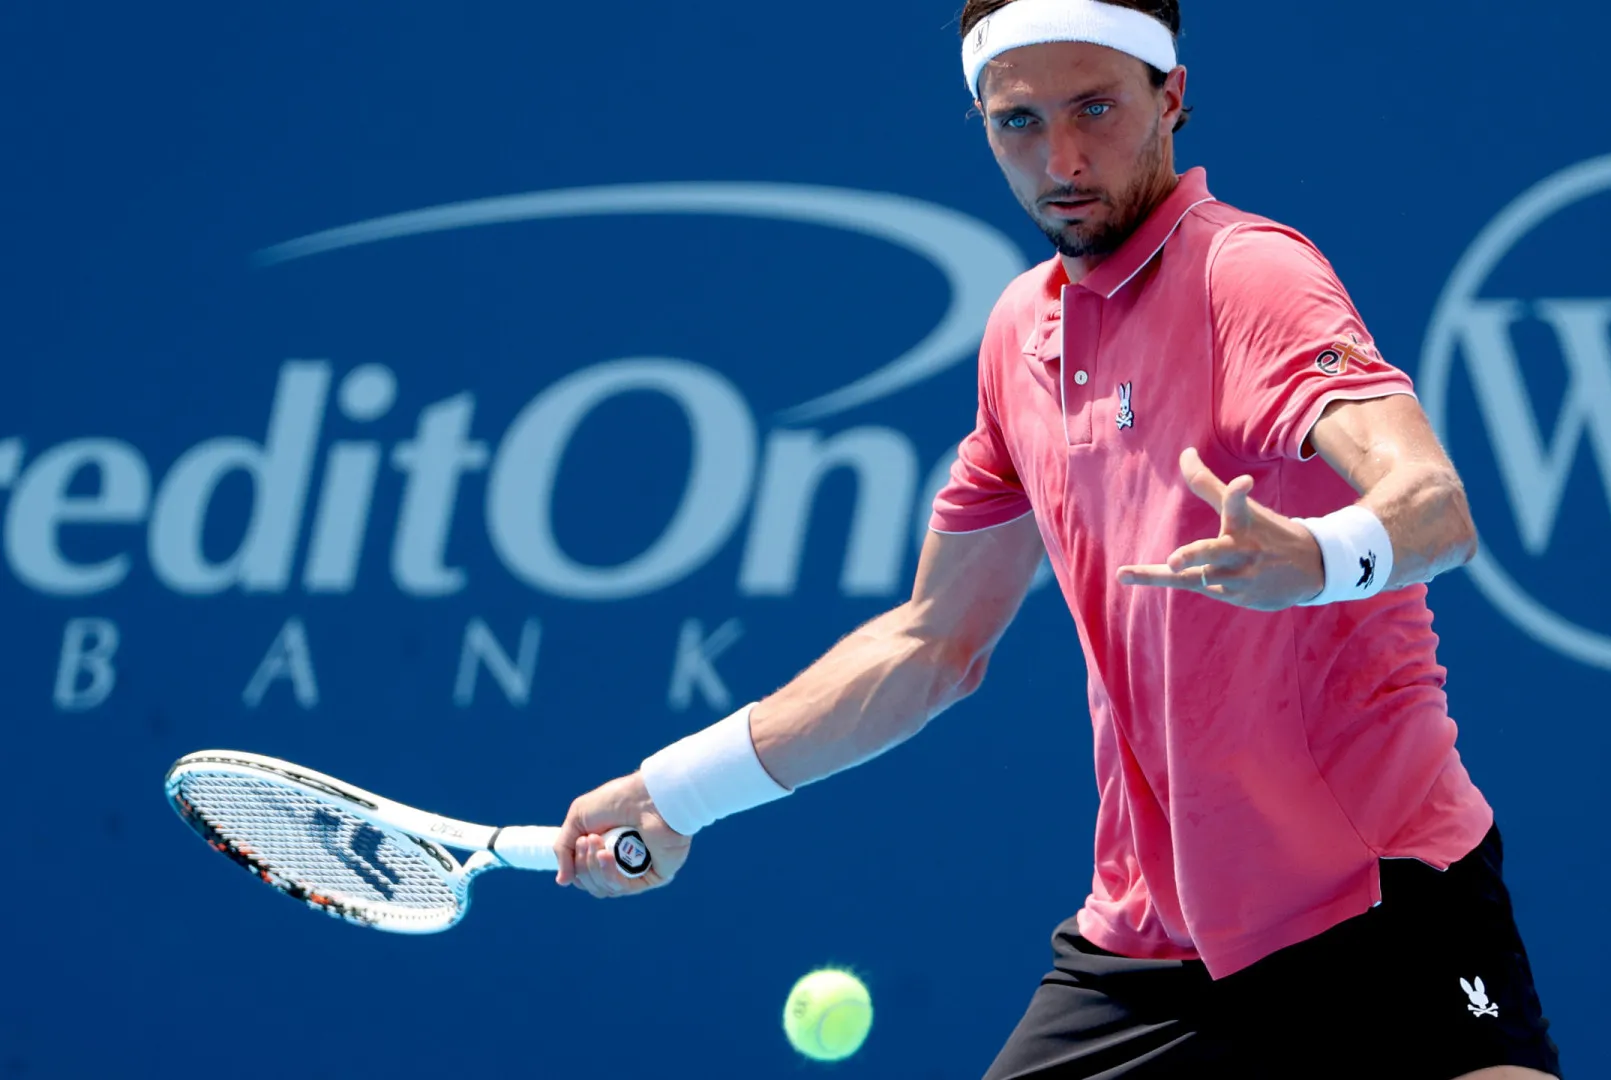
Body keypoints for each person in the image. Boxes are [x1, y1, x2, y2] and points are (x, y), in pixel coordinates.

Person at [553, 0, 1560, 1075]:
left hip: (1376, 902)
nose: (1062, 157)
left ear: (1172, 96)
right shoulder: (1018, 339)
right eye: (1018, 121)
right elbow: (929, 645)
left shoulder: (1249, 278)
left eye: (1095, 108)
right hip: (1150, 943)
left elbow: (1434, 507)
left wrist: (1317, 560)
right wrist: (677, 791)